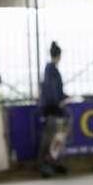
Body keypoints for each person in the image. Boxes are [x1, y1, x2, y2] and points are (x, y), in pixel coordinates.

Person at [38, 41, 70, 178]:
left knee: (57, 137)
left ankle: (53, 161)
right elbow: (53, 91)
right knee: (50, 137)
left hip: (54, 107)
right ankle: (46, 164)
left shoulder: (50, 70)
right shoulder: (51, 70)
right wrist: (59, 101)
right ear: (59, 56)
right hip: (53, 109)